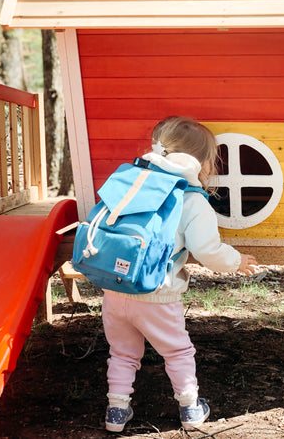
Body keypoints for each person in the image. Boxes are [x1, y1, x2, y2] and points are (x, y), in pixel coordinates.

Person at [102, 116, 258, 432]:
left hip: (115, 287)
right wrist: (237, 260)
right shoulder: (192, 200)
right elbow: (208, 250)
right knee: (177, 351)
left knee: (122, 353)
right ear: (202, 163)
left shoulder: (131, 183)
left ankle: (116, 412)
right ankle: (190, 409)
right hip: (157, 293)